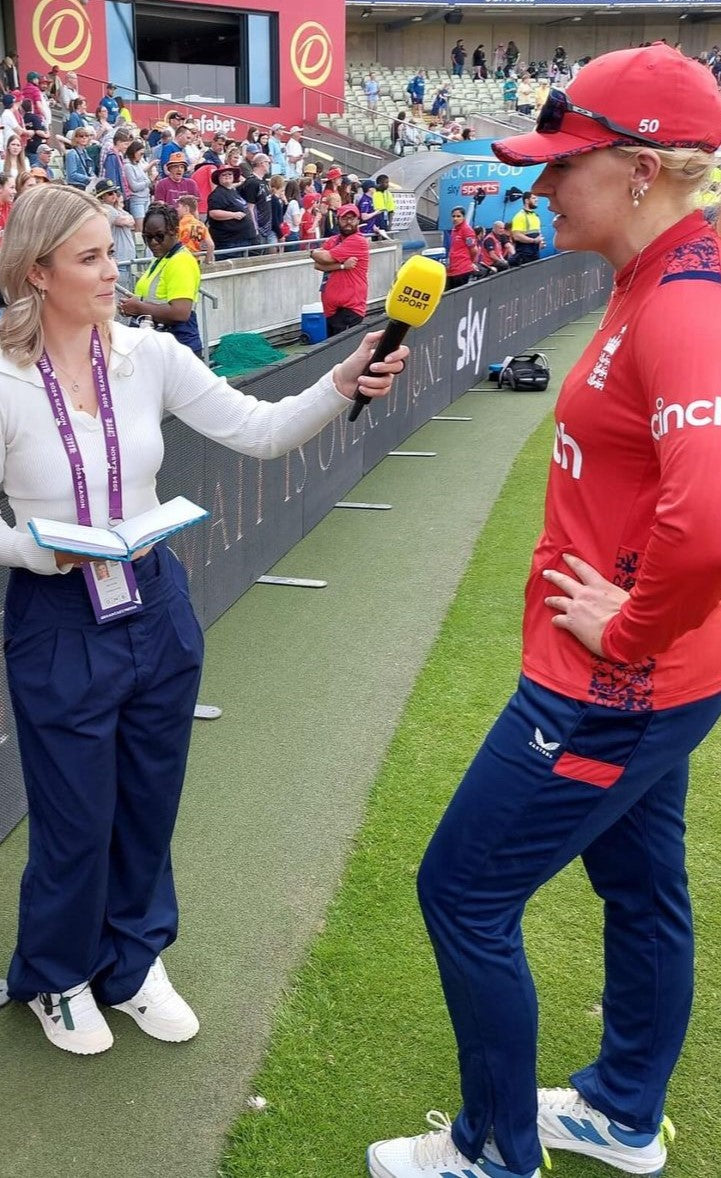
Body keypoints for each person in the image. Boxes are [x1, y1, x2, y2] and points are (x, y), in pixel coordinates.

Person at [366, 43, 721, 1178]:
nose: (535, 186)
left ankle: (491, 1149)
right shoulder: (660, 273)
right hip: (661, 678)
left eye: (560, 164)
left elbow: (707, 512)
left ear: (637, 169)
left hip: (612, 682)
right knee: (640, 884)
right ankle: (620, 1112)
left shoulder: (680, 297)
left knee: (460, 891)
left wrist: (623, 625)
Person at [0, 186, 407, 1056]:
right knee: (74, 814)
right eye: (89, 259)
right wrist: (48, 556)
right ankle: (57, 974)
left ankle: (132, 961)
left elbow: (261, 431)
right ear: (36, 273)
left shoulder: (150, 356)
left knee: (150, 802)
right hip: (57, 613)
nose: (112, 271)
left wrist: (340, 380)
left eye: (110, 253)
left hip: (156, 601)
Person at [311, 204, 369, 336]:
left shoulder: (358, 241)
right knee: (334, 351)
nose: (348, 222)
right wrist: (342, 265)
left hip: (350, 308)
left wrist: (316, 253)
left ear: (358, 221)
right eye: (344, 219)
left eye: (352, 219)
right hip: (332, 310)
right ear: (338, 220)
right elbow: (318, 264)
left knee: (344, 352)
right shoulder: (334, 240)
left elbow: (325, 257)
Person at [206, 163, 257, 257]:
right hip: (229, 243)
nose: (227, 176)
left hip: (242, 240)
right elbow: (213, 213)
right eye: (223, 175)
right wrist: (233, 215)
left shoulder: (233, 191)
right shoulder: (217, 194)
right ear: (218, 178)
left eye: (229, 174)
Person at [95, 177, 137, 281]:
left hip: (126, 258)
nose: (114, 195)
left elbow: (132, 221)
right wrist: (126, 218)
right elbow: (124, 221)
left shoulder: (116, 209)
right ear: (101, 197)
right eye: (110, 193)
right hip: (118, 258)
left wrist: (120, 211)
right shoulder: (106, 208)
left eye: (115, 192)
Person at [240, 153, 276, 248]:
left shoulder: (263, 182)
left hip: (267, 228)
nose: (269, 165)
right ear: (261, 163)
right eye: (268, 162)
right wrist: (254, 228)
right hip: (258, 229)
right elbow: (249, 207)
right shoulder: (252, 183)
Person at [124, 138, 158, 229]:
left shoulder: (137, 164)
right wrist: (149, 180)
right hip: (137, 200)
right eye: (141, 154)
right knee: (139, 228)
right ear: (134, 152)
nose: (142, 156)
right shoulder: (128, 166)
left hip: (145, 197)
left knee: (146, 227)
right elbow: (134, 186)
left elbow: (142, 174)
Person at [444, 206, 478, 288]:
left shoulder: (467, 230)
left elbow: (474, 250)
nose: (455, 218)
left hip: (462, 269)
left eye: (458, 216)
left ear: (463, 217)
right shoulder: (454, 230)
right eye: (453, 216)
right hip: (453, 268)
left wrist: (470, 262)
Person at [176, 194, 214, 263]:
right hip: (195, 261)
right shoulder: (200, 225)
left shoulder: (179, 225)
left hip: (180, 261)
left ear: (186, 208)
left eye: (179, 206)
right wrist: (207, 260)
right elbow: (211, 245)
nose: (177, 209)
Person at [510, 190, 545, 264]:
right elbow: (516, 236)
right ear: (526, 201)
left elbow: (538, 233)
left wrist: (540, 242)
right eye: (534, 198)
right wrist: (534, 241)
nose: (536, 200)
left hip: (535, 253)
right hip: (524, 255)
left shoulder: (535, 216)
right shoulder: (519, 216)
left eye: (536, 198)